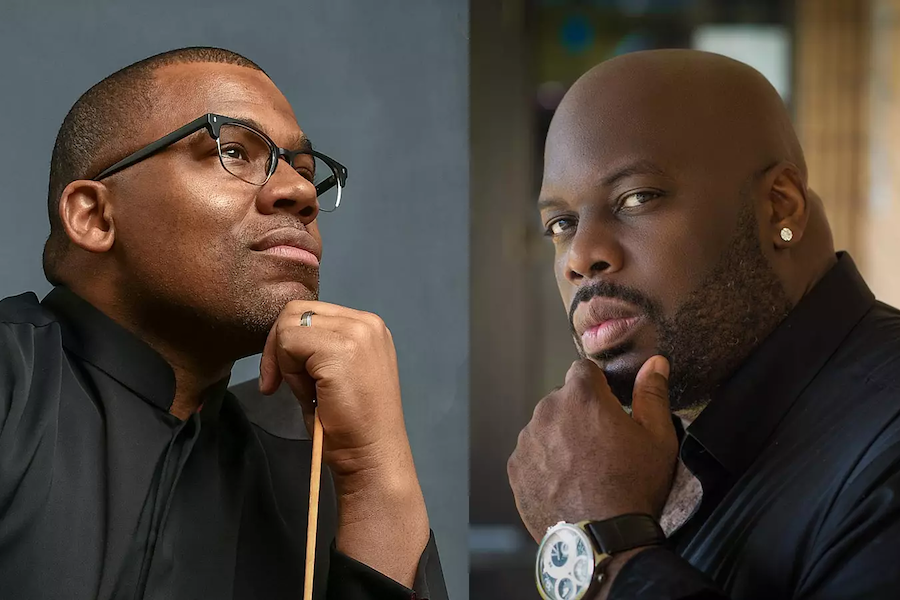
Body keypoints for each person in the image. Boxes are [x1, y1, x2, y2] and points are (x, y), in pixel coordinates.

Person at [0, 47, 446, 600]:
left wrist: (375, 473)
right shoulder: (12, 379)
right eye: (233, 149)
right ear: (93, 216)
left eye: (305, 173)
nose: (301, 192)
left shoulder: (309, 470)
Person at [508, 49, 900, 600]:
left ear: (780, 208)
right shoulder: (671, 444)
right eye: (561, 223)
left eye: (637, 198)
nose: (581, 255)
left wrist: (606, 543)